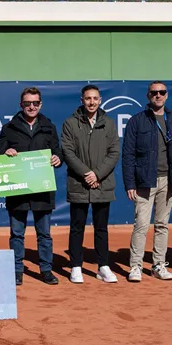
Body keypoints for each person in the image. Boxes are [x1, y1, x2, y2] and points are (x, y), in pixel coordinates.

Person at [0, 87, 63, 285]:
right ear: (21, 105)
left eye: (35, 103)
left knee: (45, 234)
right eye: (27, 103)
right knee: (17, 233)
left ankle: (46, 270)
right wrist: (5, 151)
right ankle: (17, 271)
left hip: (42, 190)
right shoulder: (9, 128)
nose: (31, 107)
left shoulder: (49, 126)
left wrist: (57, 158)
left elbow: (58, 151)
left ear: (40, 104)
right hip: (18, 190)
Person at [122, 81, 172, 282]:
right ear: (148, 96)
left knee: (162, 225)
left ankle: (159, 265)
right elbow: (128, 154)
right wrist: (130, 183)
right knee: (141, 224)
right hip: (144, 181)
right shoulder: (137, 120)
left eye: (161, 92)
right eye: (154, 93)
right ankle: (135, 266)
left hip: (169, 180)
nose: (158, 95)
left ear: (166, 95)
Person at [61, 85, 120, 284]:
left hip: (102, 184)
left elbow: (114, 153)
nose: (92, 102)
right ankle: (76, 267)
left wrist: (97, 175)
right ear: (82, 100)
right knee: (77, 227)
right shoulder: (70, 123)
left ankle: (103, 267)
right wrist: (87, 174)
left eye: (95, 98)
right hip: (79, 184)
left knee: (101, 228)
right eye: (88, 98)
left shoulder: (109, 124)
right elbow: (68, 152)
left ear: (100, 100)